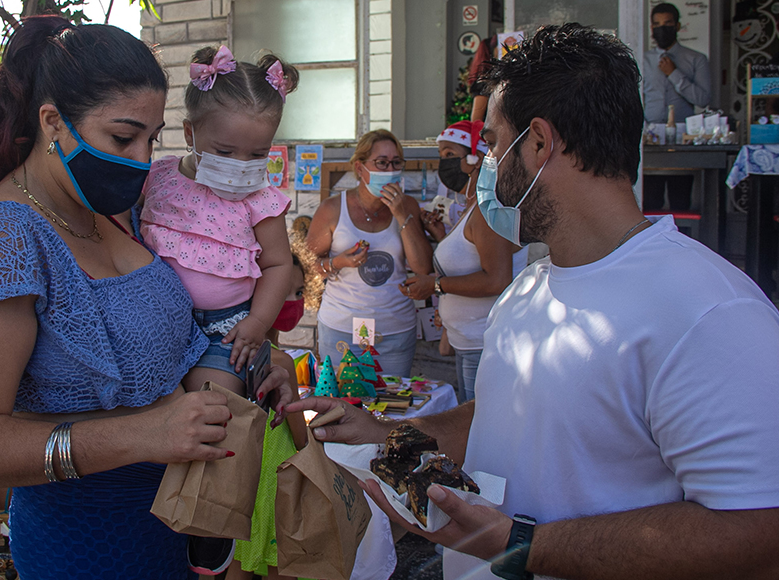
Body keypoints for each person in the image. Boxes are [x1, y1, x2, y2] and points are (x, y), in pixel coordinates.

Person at [290, 24, 779, 580]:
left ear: (540, 143)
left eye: (495, 143)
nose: (486, 166)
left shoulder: (711, 314)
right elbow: (507, 415)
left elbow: (758, 533)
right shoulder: (530, 289)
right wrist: (387, 437)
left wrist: (521, 546)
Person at [0, 17, 291, 579]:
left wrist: (262, 356)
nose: (142, 159)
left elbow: (188, 322)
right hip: (92, 544)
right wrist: (142, 434)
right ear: (53, 123)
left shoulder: (110, 209)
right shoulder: (4, 239)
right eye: (122, 137)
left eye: (151, 137)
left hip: (183, 526)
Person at [138, 45, 298, 576]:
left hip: (225, 334)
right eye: (226, 151)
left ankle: (210, 523)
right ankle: (160, 517)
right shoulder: (158, 178)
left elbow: (277, 267)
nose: (242, 167)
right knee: (159, 424)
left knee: (213, 419)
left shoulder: (262, 200)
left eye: (258, 155)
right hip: (160, 323)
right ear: (190, 135)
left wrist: (257, 324)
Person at [403, 120, 527, 404]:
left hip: (484, 344)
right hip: (468, 343)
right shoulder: (473, 206)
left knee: (478, 426)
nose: (442, 163)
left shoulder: (488, 208)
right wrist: (441, 236)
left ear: (476, 157)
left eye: (449, 155)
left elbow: (497, 279)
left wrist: (434, 285)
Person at [306, 129, 433, 377]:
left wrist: (400, 215)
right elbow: (307, 265)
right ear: (360, 167)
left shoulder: (407, 205)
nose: (390, 170)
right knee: (342, 406)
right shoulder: (332, 208)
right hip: (341, 326)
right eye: (381, 163)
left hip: (394, 329)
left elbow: (422, 269)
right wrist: (339, 262)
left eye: (396, 163)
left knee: (392, 407)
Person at [642, 2, 710, 212]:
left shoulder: (695, 59)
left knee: (680, 203)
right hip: (650, 141)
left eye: (667, 24)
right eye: (657, 25)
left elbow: (703, 98)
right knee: (650, 203)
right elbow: (636, 97)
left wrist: (674, 74)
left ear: (677, 26)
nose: (662, 29)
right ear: (652, 28)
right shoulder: (642, 60)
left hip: (682, 141)